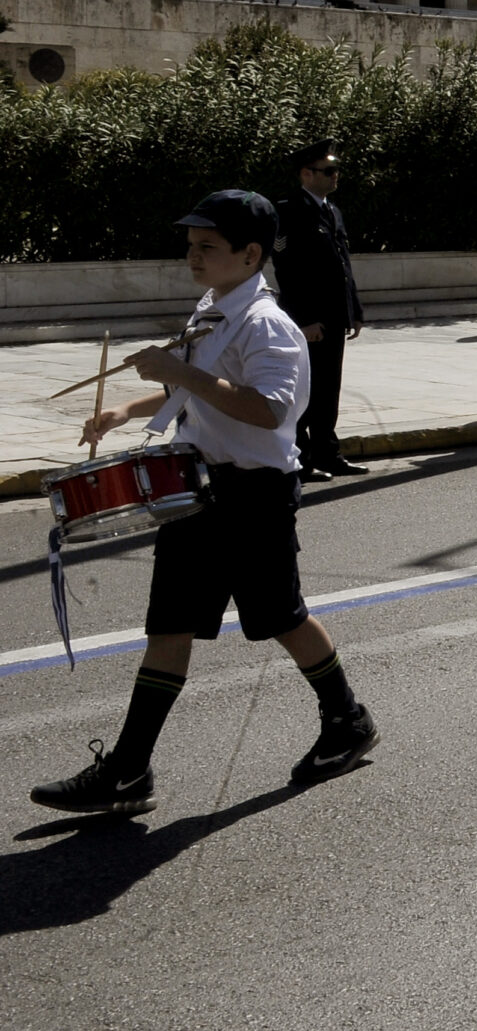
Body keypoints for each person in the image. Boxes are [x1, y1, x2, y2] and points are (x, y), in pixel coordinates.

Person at [34, 191, 377, 817]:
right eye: (191, 247)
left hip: (255, 494)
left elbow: (268, 408)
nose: (194, 257)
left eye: (207, 247)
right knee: (168, 627)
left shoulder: (268, 325)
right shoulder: (213, 307)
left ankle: (347, 719)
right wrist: (126, 410)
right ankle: (129, 771)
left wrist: (181, 374)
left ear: (250, 254)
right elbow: (190, 391)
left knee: (281, 617)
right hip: (197, 490)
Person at [273, 139, 365, 480]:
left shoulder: (331, 210)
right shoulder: (290, 210)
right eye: (328, 171)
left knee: (328, 389)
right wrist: (304, 320)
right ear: (306, 174)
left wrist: (354, 310)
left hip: (334, 315)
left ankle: (328, 453)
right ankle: (299, 458)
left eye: (336, 170)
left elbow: (343, 264)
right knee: (305, 392)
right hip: (308, 318)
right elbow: (289, 270)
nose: (335, 176)